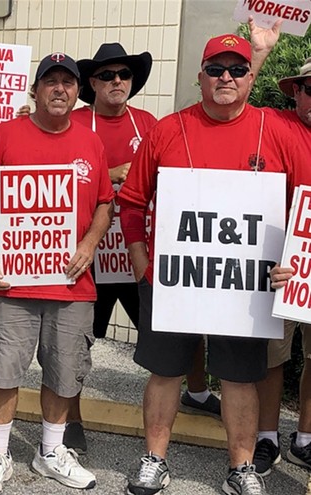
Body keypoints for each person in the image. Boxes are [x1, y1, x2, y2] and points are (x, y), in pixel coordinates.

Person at [118, 33, 302, 495]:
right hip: (173, 280)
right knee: (165, 372)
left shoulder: (274, 129)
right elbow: (132, 202)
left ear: (249, 77)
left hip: (246, 286)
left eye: (237, 69)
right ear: (200, 77)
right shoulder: (168, 129)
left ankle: (241, 468)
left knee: (240, 378)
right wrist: (144, 266)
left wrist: (293, 262)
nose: (226, 77)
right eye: (216, 69)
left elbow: (306, 205)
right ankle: (154, 460)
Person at [0, 52, 114, 494]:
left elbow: (105, 203)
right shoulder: (5, 135)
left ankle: (50, 451)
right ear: (35, 90)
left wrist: (89, 243)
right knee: (4, 370)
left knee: (65, 372)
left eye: (67, 83)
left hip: (72, 284)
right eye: (50, 81)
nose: (59, 90)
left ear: (77, 91)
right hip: (13, 282)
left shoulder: (91, 143)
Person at [62, 43, 220, 454]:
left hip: (136, 249)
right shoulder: (74, 124)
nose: (117, 82)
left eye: (124, 76)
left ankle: (197, 392)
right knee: (77, 338)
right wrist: (114, 173)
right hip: (91, 251)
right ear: (92, 83)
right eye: (108, 76)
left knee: (179, 321)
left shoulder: (150, 123)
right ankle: (71, 418)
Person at [248, 21, 311, 476]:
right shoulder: (277, 123)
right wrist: (259, 53)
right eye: (310, 87)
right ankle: (267, 438)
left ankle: (304, 437)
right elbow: (230, 100)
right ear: (296, 92)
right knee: (273, 354)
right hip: (282, 259)